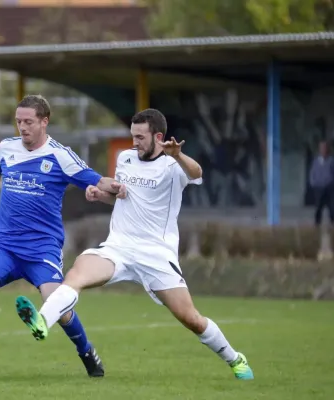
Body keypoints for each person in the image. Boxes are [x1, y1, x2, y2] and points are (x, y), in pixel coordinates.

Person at [15, 108, 254, 381]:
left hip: (156, 254)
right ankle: (43, 321)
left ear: (158, 136)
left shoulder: (173, 166)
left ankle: (235, 358)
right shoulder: (126, 158)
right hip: (119, 246)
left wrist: (177, 155)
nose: (134, 142)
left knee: (191, 319)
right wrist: (99, 194)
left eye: (140, 137)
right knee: (77, 272)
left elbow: (197, 172)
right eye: (133, 136)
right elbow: (121, 199)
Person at [0, 95, 126, 377]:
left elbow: (99, 181)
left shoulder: (60, 156)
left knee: (58, 307)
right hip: (4, 244)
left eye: (28, 122)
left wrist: (116, 186)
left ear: (44, 121)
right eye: (18, 122)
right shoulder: (7, 148)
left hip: (42, 250)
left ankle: (86, 351)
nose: (22, 127)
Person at [309, 140, 334, 226]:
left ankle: (333, 225)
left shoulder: (333, 161)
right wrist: (314, 183)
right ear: (319, 149)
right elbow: (312, 173)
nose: (324, 150)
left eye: (325, 148)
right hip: (319, 188)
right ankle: (317, 224)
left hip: (330, 188)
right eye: (322, 148)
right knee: (318, 208)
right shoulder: (316, 161)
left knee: (332, 208)